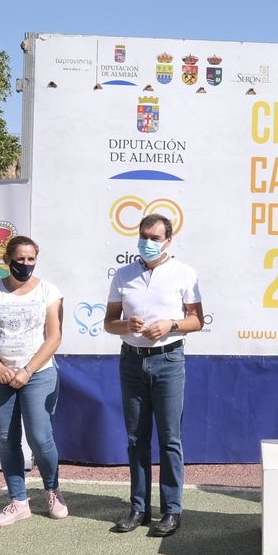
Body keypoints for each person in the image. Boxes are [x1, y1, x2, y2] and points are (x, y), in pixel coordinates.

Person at [103, 213, 204, 537]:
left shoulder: (184, 273)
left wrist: (170, 324)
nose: (147, 242)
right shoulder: (123, 275)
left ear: (168, 241)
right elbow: (109, 322)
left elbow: (197, 320)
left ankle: (172, 510)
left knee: (169, 438)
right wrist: (125, 326)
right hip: (131, 361)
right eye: (143, 236)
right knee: (136, 439)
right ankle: (139, 508)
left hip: (168, 360)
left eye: (154, 237)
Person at [0, 235, 67, 526]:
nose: (25, 264)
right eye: (20, 259)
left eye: (30, 259)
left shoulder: (49, 291)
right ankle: (18, 501)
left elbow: (54, 337)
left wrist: (27, 370)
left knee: (40, 437)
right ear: (7, 260)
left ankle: (52, 490)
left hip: (38, 375)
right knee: (7, 439)